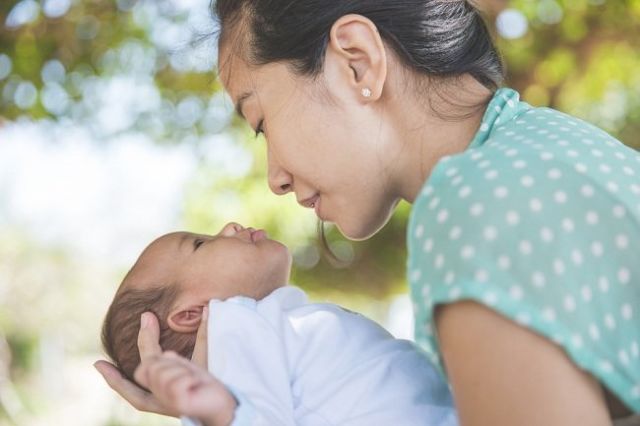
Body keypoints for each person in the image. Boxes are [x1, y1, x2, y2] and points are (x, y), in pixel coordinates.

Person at [95, 0, 640, 424]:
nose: (274, 177)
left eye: (260, 122)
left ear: (357, 61)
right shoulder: (550, 148)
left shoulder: (472, 206)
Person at [100, 222, 458, 425]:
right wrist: (218, 414)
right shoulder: (234, 324)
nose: (227, 228)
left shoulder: (270, 327)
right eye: (200, 243)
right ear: (192, 314)